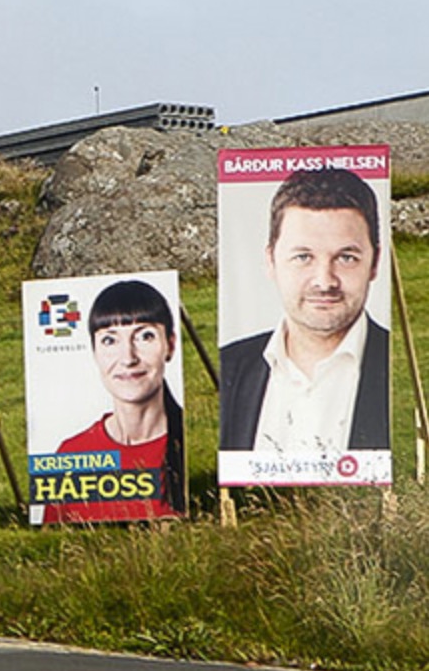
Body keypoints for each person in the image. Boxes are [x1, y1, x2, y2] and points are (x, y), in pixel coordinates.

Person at [219, 166, 389, 455]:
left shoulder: (397, 368)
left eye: (346, 257)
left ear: (375, 262)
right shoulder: (227, 368)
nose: (324, 281)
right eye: (303, 257)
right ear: (271, 260)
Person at [56, 279, 186, 519]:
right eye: (109, 340)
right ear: (94, 352)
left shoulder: (192, 447)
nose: (128, 357)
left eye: (144, 336)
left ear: (170, 345)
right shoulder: (71, 454)